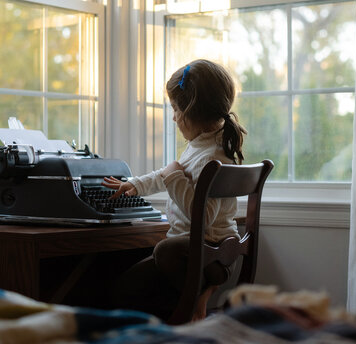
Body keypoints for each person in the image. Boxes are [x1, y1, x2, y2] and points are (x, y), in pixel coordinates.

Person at [102, 59, 247, 322]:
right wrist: (135, 185)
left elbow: (203, 216)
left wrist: (174, 176)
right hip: (205, 255)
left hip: (208, 257)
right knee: (127, 283)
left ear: (191, 111)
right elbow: (168, 174)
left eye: (174, 109)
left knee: (164, 251)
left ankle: (195, 300)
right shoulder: (204, 147)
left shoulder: (212, 158)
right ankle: (192, 301)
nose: (173, 117)